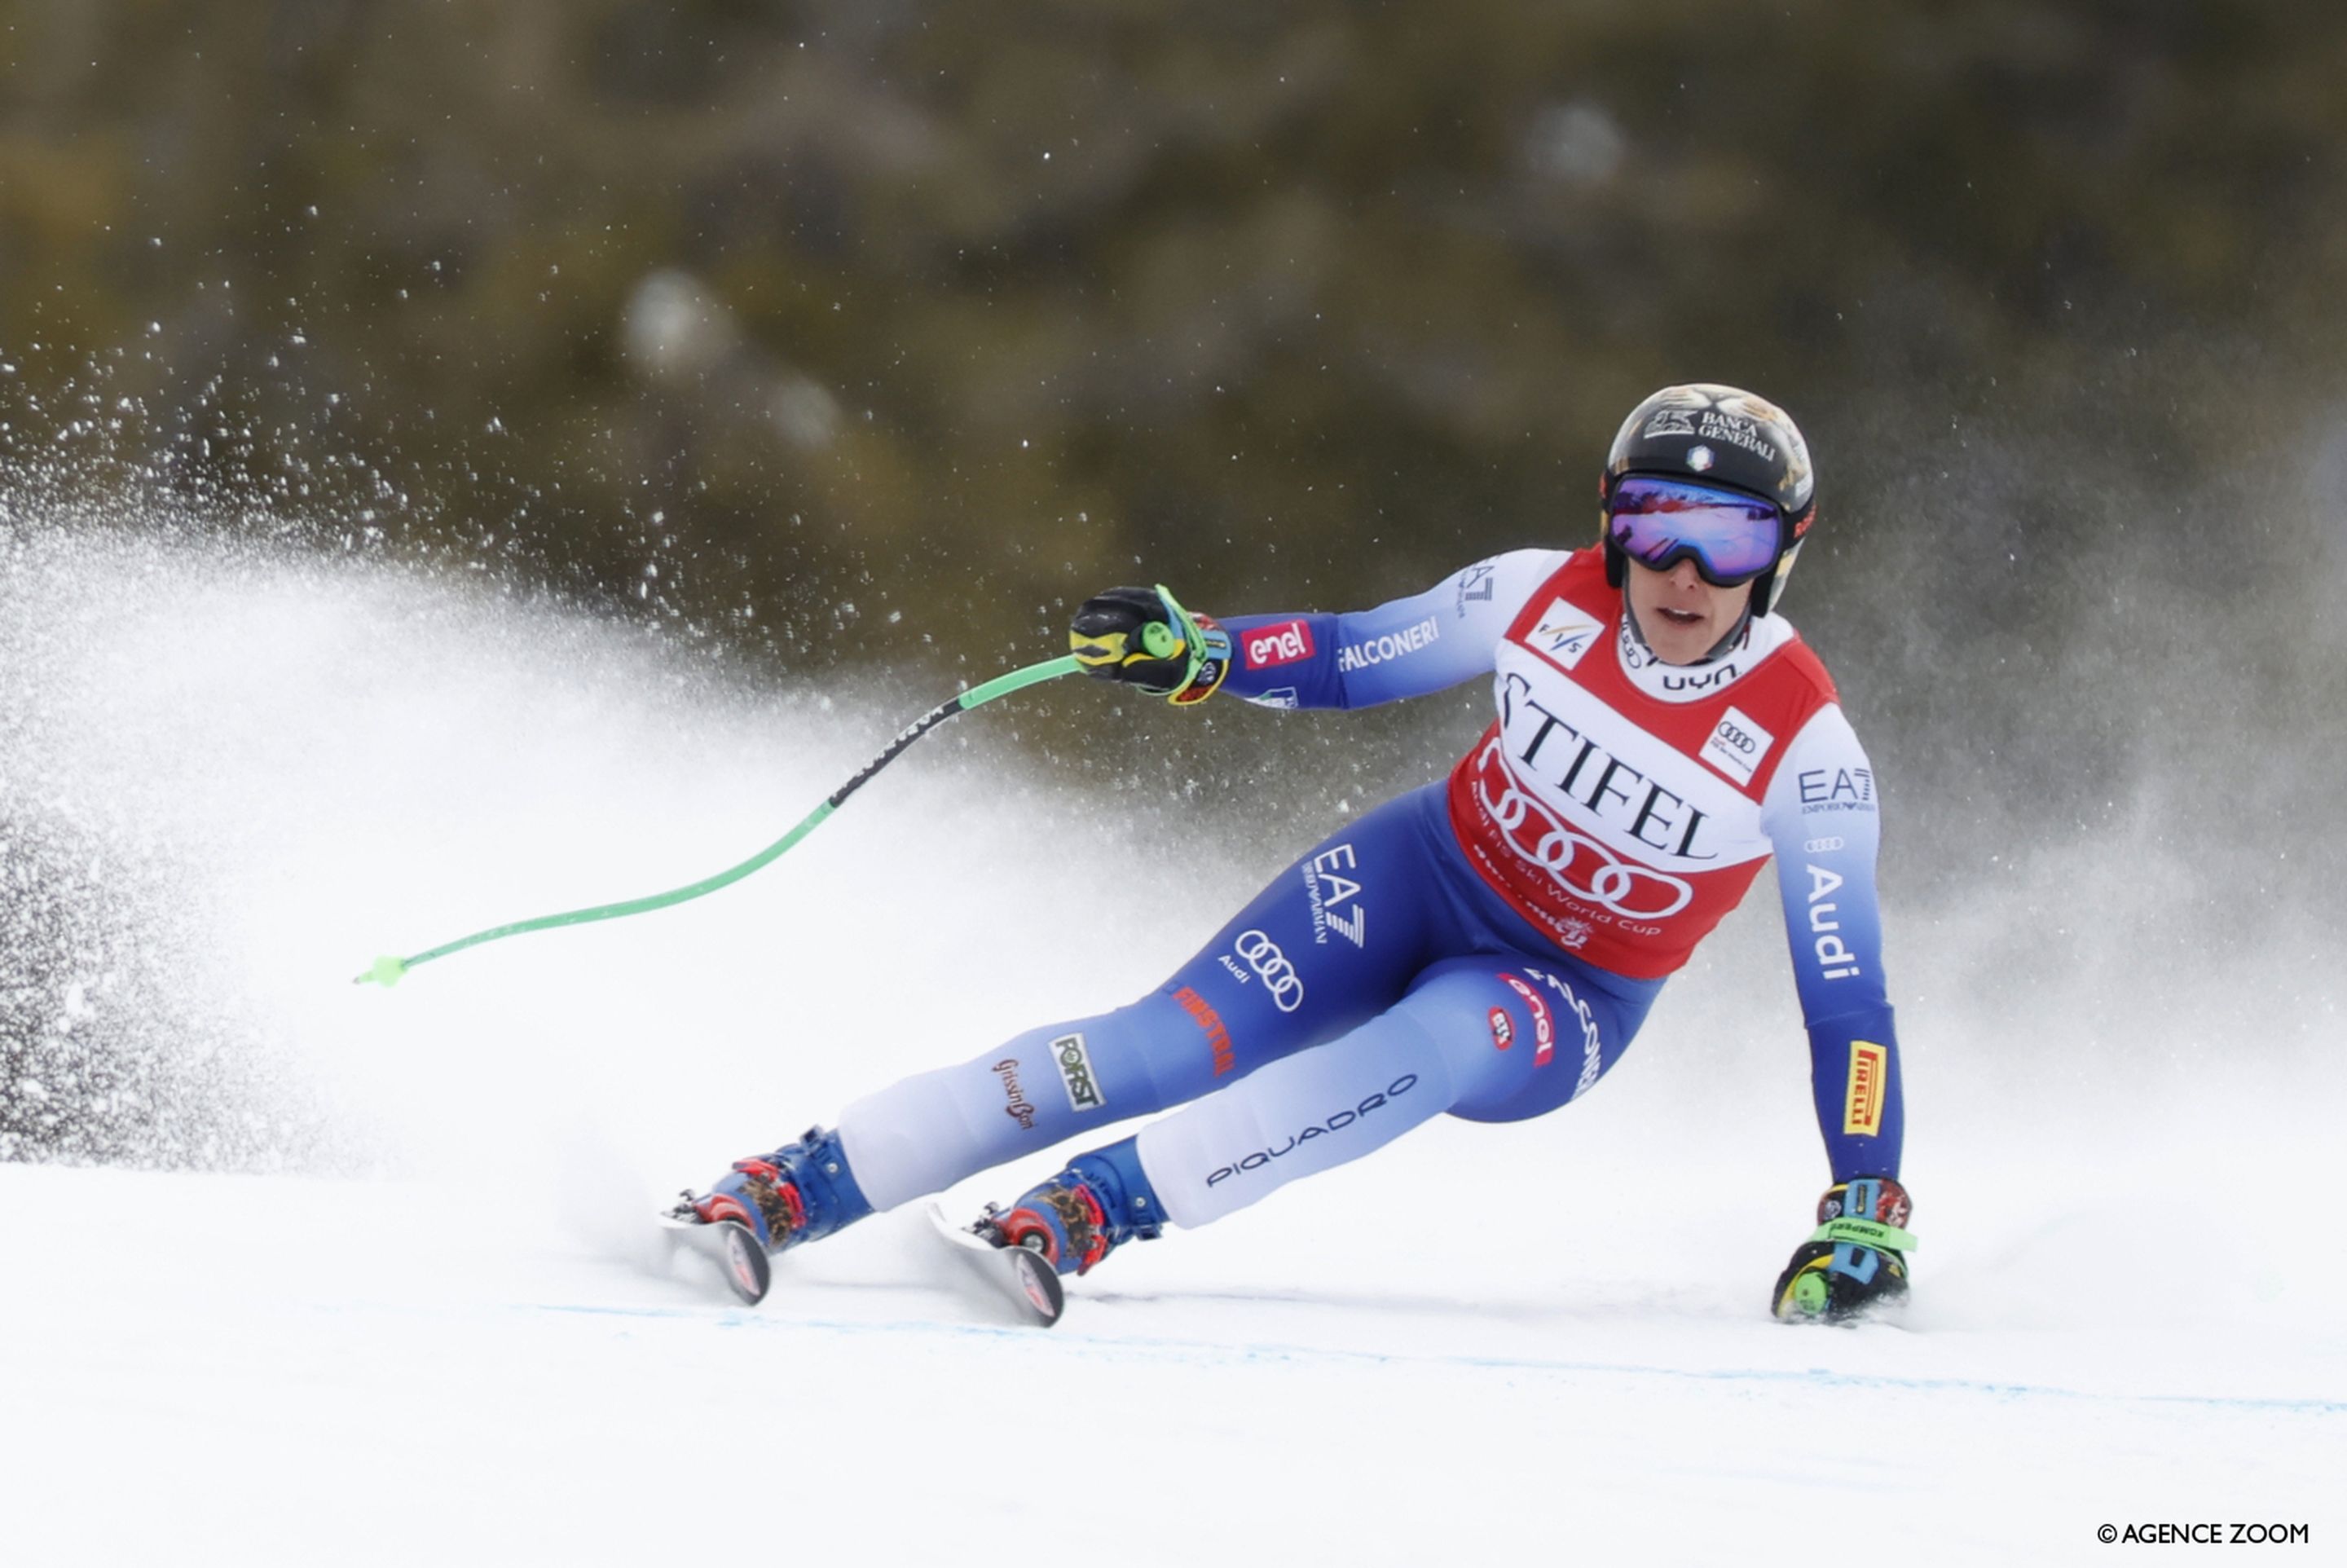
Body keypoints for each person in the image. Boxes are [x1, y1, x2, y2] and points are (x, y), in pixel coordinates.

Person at [681, 382, 1914, 1323]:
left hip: (1562, 996)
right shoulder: (1539, 598)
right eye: (1653, 529)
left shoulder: (1806, 748)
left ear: (1782, 554)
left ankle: (1099, 1206)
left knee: (1424, 1046)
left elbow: (1846, 1002)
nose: (1685, 575)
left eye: (1732, 543)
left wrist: (1867, 1198)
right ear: (1610, 528)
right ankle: (802, 1182)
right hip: (1420, 874)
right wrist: (1203, 652)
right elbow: (1348, 653)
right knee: (1167, 1041)